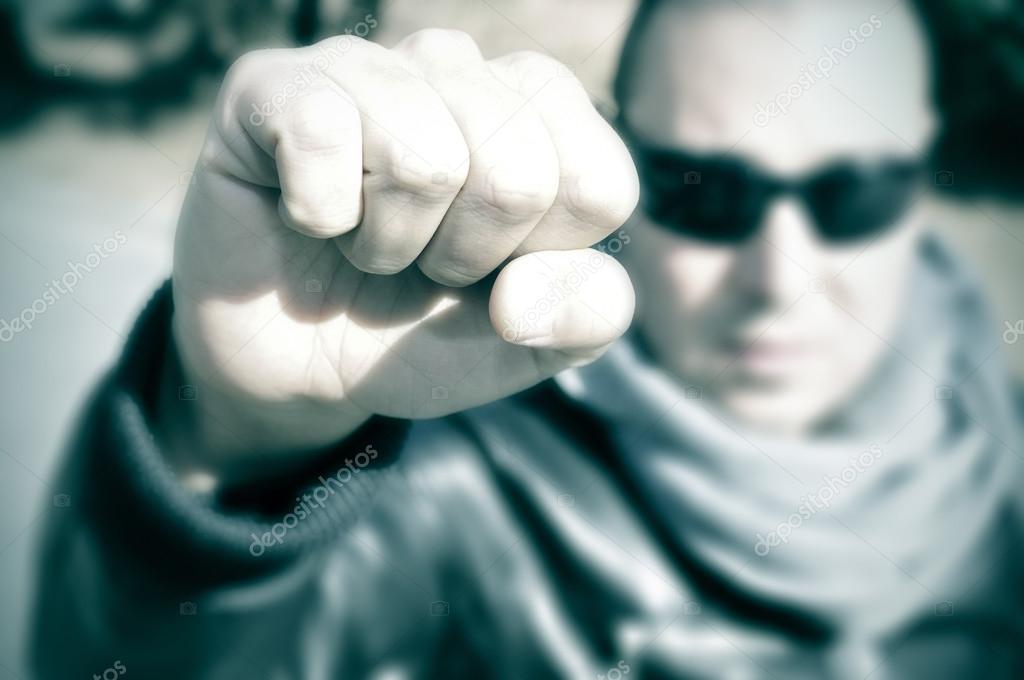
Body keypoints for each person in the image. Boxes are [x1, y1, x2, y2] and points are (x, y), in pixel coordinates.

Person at [32, 1, 1024, 677]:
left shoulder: (1004, 448)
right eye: (705, 192)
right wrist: (237, 437)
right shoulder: (454, 467)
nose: (780, 278)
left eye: (855, 194)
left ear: (925, 174)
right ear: (623, 163)